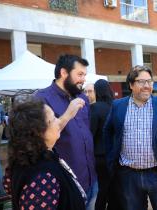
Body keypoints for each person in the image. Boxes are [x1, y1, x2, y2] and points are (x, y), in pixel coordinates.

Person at [104, 65, 157, 210]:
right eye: (142, 82)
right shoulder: (118, 106)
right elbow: (107, 131)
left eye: (149, 81)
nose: (147, 86)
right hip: (129, 176)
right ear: (131, 84)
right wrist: (111, 158)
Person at [35, 54, 97, 210]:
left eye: (85, 75)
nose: (83, 79)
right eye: (80, 74)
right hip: (65, 184)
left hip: (91, 179)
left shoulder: (83, 98)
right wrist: (67, 114)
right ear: (64, 73)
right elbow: (40, 141)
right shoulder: (42, 99)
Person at [5, 97, 86, 210]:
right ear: (38, 131)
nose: (58, 121)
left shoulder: (29, 157)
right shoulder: (42, 176)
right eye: (53, 119)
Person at [89, 79, 114, 210]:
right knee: (113, 188)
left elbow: (90, 133)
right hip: (114, 155)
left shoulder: (95, 108)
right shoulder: (115, 106)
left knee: (101, 189)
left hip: (99, 155)